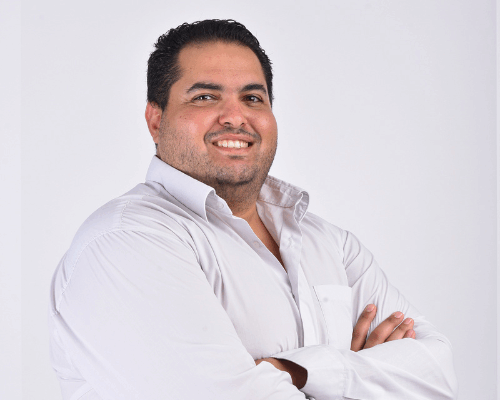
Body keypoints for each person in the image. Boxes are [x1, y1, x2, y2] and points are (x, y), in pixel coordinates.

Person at [49, 19, 458, 400]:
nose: (235, 117)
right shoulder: (127, 242)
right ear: (156, 121)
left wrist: (294, 371)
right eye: (205, 97)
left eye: (252, 98)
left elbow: (437, 376)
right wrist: (362, 373)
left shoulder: (329, 243)